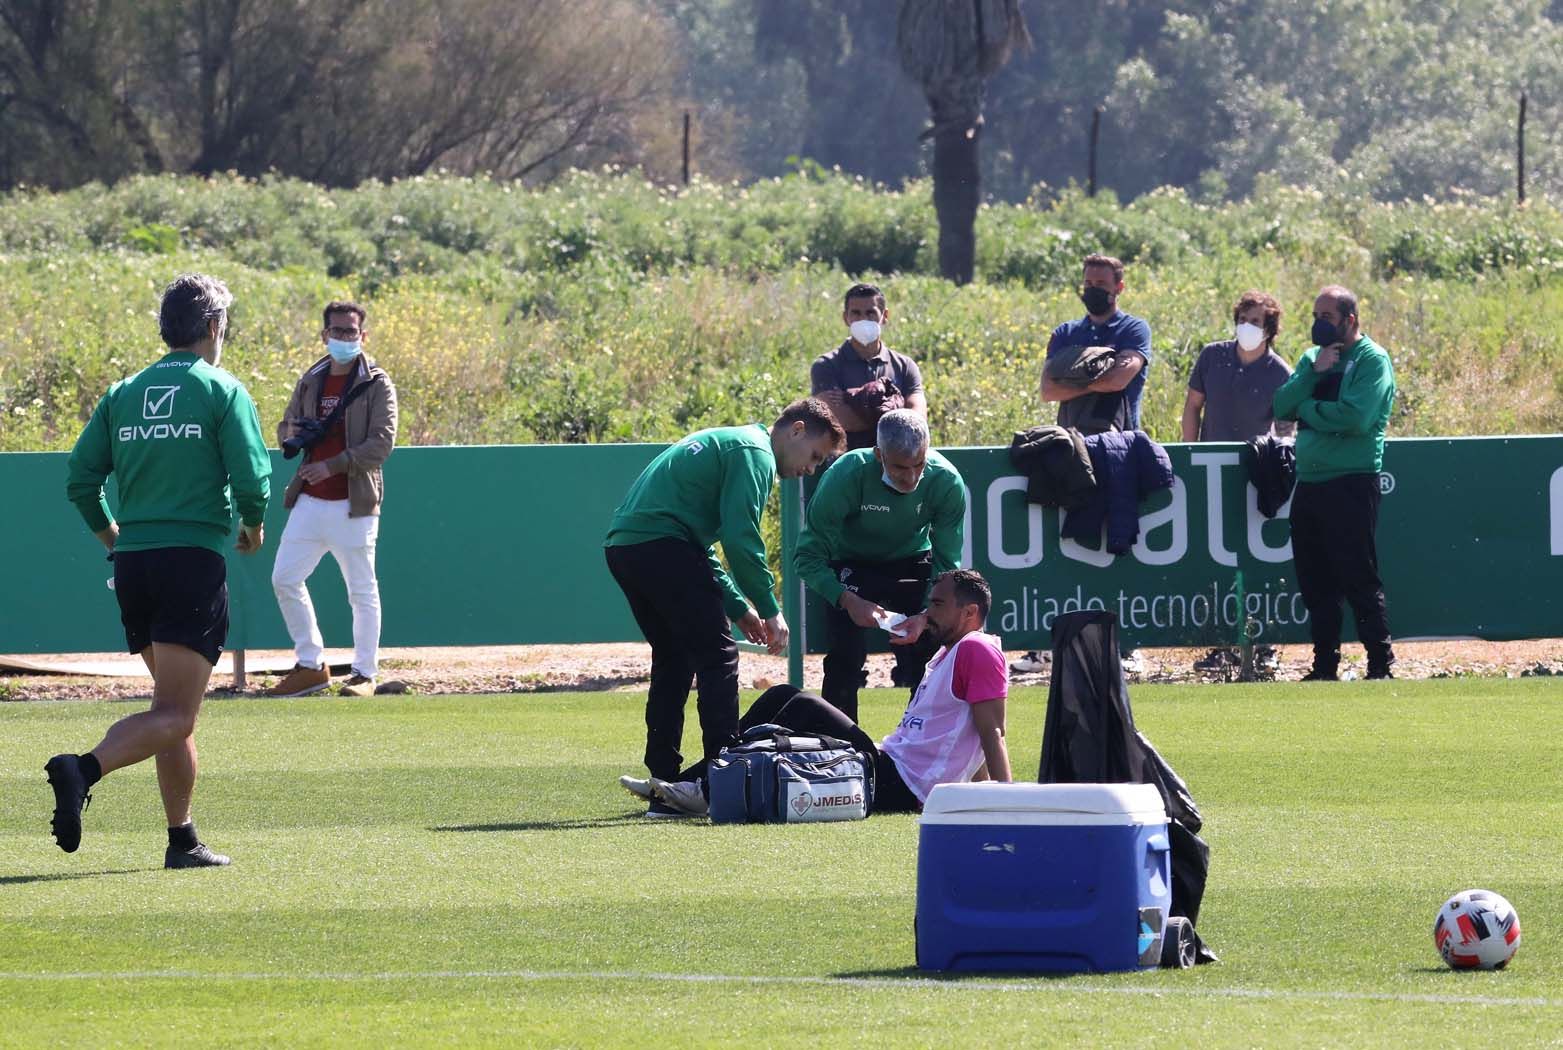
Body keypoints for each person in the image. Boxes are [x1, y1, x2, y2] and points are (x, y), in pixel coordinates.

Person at [51, 273, 271, 868]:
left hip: (135, 566)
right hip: (189, 561)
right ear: (214, 327)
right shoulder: (222, 389)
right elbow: (253, 479)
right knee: (175, 713)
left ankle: (183, 839)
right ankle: (82, 769)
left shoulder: (125, 391)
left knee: (172, 711)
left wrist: (114, 539)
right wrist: (252, 526)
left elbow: (80, 480)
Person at [607, 398, 847, 817]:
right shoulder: (755, 453)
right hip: (663, 546)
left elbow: (703, 548)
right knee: (719, 657)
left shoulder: (736, 443)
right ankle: (725, 779)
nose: (811, 469)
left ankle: (665, 780)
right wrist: (771, 608)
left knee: (675, 659)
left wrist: (739, 607)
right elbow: (740, 536)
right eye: (814, 456)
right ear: (795, 430)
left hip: (626, 547)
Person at [637, 569, 1013, 817]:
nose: (928, 611)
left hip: (898, 782)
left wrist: (1010, 801)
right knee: (780, 705)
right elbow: (968, 741)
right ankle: (693, 785)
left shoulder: (976, 649)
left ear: (970, 613)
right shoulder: (951, 651)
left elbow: (991, 732)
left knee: (796, 703)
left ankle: (695, 787)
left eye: (938, 604)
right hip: (887, 766)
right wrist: (975, 797)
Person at [793, 408, 966, 721]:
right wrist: (846, 599)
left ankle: (925, 744)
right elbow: (807, 558)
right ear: (878, 455)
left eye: (919, 465)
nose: (911, 477)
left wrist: (927, 616)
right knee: (845, 657)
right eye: (900, 467)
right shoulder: (847, 474)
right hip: (851, 563)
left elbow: (947, 566)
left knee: (930, 653)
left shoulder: (946, 481)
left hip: (913, 561)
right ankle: (841, 748)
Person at [267, 301, 399, 698]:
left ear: (364, 335)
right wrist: (294, 432)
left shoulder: (377, 382)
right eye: (337, 331)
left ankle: (364, 674)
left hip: (353, 502)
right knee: (285, 579)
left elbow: (382, 442)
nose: (344, 338)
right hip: (309, 498)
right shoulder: (311, 378)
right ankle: (311, 665)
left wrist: (335, 465)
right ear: (324, 335)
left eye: (351, 331)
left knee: (361, 590)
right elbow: (285, 425)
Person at [1272, 285, 1397, 681]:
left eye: (1326, 317)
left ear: (1350, 320)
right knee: (1315, 580)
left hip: (1351, 483)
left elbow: (1355, 419)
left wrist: (1307, 411)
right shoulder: (1312, 358)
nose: (1317, 324)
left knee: (1358, 575)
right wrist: (1314, 372)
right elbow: (1280, 406)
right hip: (1309, 484)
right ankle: (1324, 665)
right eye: (1315, 315)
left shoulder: (1372, 360)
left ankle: (1380, 663)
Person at [1182, 290, 1293, 674]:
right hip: (1211, 470)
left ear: (1270, 329)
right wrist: (1188, 455)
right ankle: (1222, 645)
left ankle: (1263, 646)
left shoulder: (1280, 373)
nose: (1248, 326)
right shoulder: (1212, 356)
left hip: (1255, 474)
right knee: (1216, 558)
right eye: (1244, 318)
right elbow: (1193, 406)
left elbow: (1285, 432)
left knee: (1255, 559)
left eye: (1257, 321)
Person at [1040, 253, 1153, 435]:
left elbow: (1117, 381)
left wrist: (1071, 379)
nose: (1093, 289)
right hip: (1072, 443)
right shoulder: (1065, 333)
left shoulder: (1134, 329)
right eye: (1088, 284)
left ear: (1119, 287)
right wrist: (1101, 376)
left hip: (1121, 440)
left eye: (1101, 284)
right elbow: (1048, 391)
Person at [811, 283, 928, 450]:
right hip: (844, 462)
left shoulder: (905, 366)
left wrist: (854, 403)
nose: (863, 319)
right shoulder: (826, 366)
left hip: (896, 462)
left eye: (871, 313)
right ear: (846, 317)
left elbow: (918, 419)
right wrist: (894, 409)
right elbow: (837, 419)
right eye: (856, 313)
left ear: (884, 315)